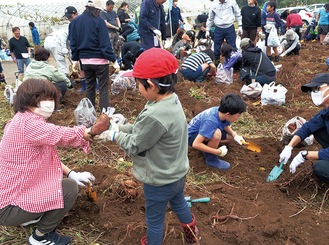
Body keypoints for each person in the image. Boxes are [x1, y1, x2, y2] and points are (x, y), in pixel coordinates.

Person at [98, 48, 199, 245]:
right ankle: (192, 234)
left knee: (154, 221)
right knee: (178, 202)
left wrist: (114, 135)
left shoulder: (154, 115)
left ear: (151, 85)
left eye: (138, 85)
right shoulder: (171, 100)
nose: (138, 88)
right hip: (177, 173)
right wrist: (121, 127)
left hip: (159, 180)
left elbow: (136, 145)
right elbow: (144, 131)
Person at [0, 78, 110, 245]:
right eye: (42, 99)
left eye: (51, 99)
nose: (49, 103)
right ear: (28, 100)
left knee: (61, 180)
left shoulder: (19, 120)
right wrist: (91, 132)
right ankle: (40, 236)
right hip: (9, 207)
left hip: (10, 197)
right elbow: (62, 135)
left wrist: (72, 173)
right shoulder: (29, 125)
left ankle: (30, 215)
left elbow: (48, 155)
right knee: (68, 188)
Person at [278, 73, 329, 183]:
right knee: (318, 129)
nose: (314, 93)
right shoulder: (326, 112)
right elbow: (307, 127)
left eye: (317, 89)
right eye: (312, 90)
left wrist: (305, 155)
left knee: (322, 168)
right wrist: (289, 147)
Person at [69, 0, 117, 112]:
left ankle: (90, 113)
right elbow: (105, 44)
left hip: (85, 61)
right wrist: (113, 59)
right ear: (96, 9)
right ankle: (105, 113)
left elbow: (73, 42)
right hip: (100, 61)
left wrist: (75, 59)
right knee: (103, 88)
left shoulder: (76, 22)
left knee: (90, 87)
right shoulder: (99, 21)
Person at [188, 93, 247, 170]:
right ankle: (211, 159)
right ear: (228, 114)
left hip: (204, 131)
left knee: (231, 138)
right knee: (217, 134)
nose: (238, 118)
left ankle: (210, 144)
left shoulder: (221, 112)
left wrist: (234, 135)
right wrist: (218, 152)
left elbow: (225, 125)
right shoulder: (210, 121)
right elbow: (196, 144)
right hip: (192, 137)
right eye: (238, 115)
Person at [206, 0, 242, 65]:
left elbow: (237, 14)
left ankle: (234, 64)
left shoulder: (232, 2)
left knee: (232, 46)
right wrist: (207, 30)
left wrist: (240, 26)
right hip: (218, 28)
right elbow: (210, 18)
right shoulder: (214, 4)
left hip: (229, 27)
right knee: (216, 47)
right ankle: (217, 64)